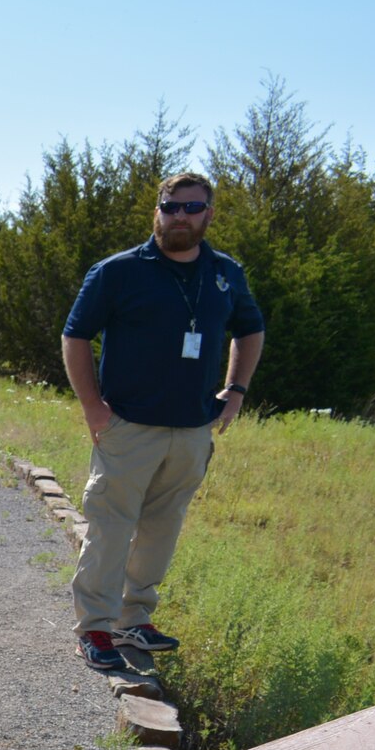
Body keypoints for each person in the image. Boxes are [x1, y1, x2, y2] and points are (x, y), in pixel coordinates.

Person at [62, 172, 264, 672]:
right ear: (157, 210)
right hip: (127, 426)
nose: (180, 216)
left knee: (162, 528)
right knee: (110, 527)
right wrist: (93, 407)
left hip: (193, 429)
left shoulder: (225, 274)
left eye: (191, 208)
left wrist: (235, 392)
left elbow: (250, 329)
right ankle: (95, 627)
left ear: (208, 215)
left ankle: (135, 619)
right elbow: (76, 336)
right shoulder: (117, 272)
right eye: (171, 207)